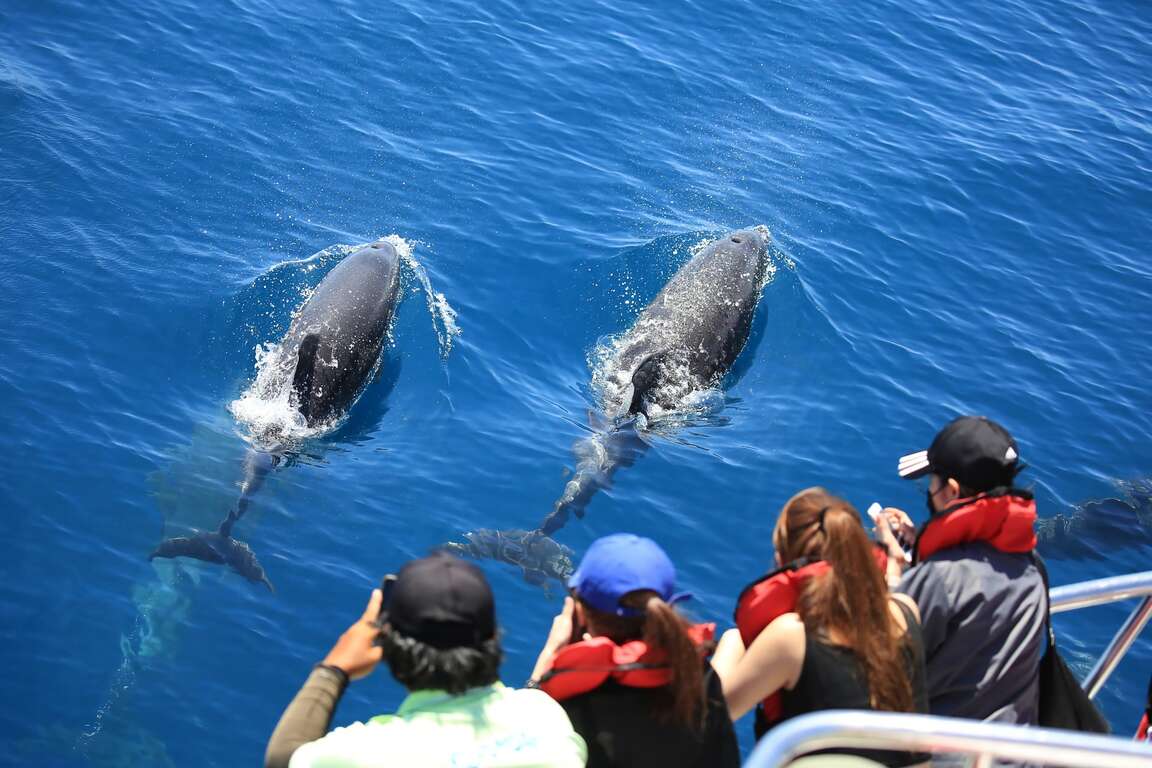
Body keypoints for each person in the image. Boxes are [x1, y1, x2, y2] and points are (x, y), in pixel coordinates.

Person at [265, 553, 587, 768]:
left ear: (388, 647)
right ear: (494, 638)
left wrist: (334, 669)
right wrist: (548, 666)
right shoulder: (547, 721)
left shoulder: (366, 752)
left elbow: (283, 758)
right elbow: (533, 705)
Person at [712, 488, 928, 767]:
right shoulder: (906, 612)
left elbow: (707, 719)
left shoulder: (791, 636)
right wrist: (894, 566)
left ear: (783, 561)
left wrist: (734, 640)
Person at [881, 415, 1045, 724]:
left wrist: (893, 569)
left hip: (938, 745)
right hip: (1013, 744)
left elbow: (877, 658)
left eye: (932, 481)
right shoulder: (1032, 568)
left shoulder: (941, 579)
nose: (929, 490)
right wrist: (921, 548)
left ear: (951, 491)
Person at [528, 533, 739, 768]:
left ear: (580, 612)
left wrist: (543, 668)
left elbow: (512, 751)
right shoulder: (699, 678)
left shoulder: (570, 705)